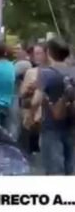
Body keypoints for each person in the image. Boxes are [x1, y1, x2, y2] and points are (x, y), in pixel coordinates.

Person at [31, 37, 75, 175]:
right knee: (70, 167)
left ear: (48, 52)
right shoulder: (73, 71)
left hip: (51, 126)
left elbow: (35, 101)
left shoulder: (45, 73)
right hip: (72, 125)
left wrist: (32, 115)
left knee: (54, 169)